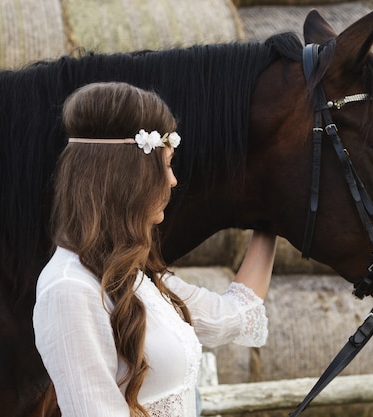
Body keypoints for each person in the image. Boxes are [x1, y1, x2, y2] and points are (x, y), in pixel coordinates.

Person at [33, 81, 277, 417]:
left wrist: (270, 222)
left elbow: (229, 316)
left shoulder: (134, 276)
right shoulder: (69, 289)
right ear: (128, 177)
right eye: (166, 163)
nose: (173, 179)